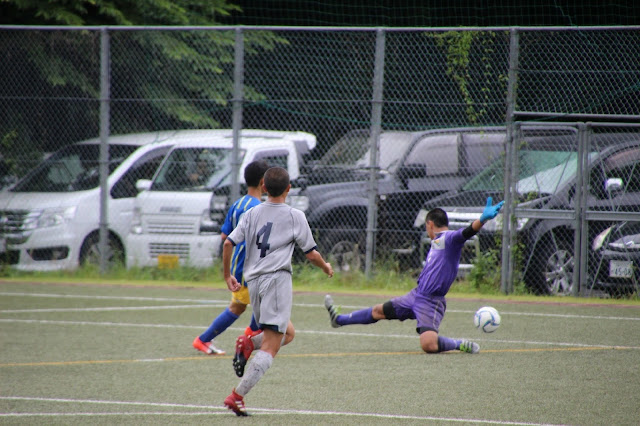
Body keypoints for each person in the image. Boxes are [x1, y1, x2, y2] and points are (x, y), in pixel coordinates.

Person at [324, 197, 504, 355]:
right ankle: (339, 320)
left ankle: (459, 344)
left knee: (429, 345)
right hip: (416, 295)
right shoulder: (437, 242)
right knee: (378, 311)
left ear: (430, 224)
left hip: (431, 302)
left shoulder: (448, 238)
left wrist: (482, 219)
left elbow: (466, 232)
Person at [222, 167, 334, 416]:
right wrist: (326, 266)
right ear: (289, 189)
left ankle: (248, 343)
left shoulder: (251, 213)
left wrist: (227, 276)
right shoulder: (295, 215)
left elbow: (228, 242)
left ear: (263, 187)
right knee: (271, 346)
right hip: (276, 281)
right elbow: (311, 254)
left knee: (288, 333)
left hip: (254, 284)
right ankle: (237, 396)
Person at [192, 160, 270, 356]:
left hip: (240, 264)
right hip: (250, 267)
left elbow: (225, 236)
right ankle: (245, 336)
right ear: (263, 182)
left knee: (245, 305)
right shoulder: (259, 209)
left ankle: (210, 339)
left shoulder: (238, 204)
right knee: (254, 304)